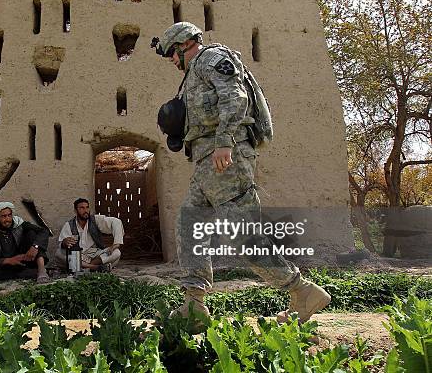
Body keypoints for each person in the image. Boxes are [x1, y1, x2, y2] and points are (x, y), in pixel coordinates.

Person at [153, 22, 330, 324]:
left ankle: (302, 291)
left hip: (225, 158)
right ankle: (194, 304)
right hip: (206, 163)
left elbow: (235, 98)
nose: (171, 60)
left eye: (171, 53)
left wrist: (226, 142)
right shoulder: (194, 71)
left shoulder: (211, 58)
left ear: (184, 45)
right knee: (188, 223)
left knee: (242, 237)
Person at [0, 202, 51, 283]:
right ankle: (26, 273)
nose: (7, 219)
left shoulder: (20, 225)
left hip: (24, 261)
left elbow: (43, 231)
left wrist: (35, 246)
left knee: (31, 233)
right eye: (3, 216)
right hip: (4, 266)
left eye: (9, 215)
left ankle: (41, 270)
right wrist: (7, 260)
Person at [55, 198, 123, 272]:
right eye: (82, 208)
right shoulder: (69, 225)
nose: (85, 210)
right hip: (78, 255)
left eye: (87, 207)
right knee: (59, 254)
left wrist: (116, 243)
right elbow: (62, 245)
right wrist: (65, 242)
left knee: (116, 252)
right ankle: (96, 268)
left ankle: (84, 267)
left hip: (95, 254)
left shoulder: (95, 220)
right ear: (75, 210)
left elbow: (116, 222)